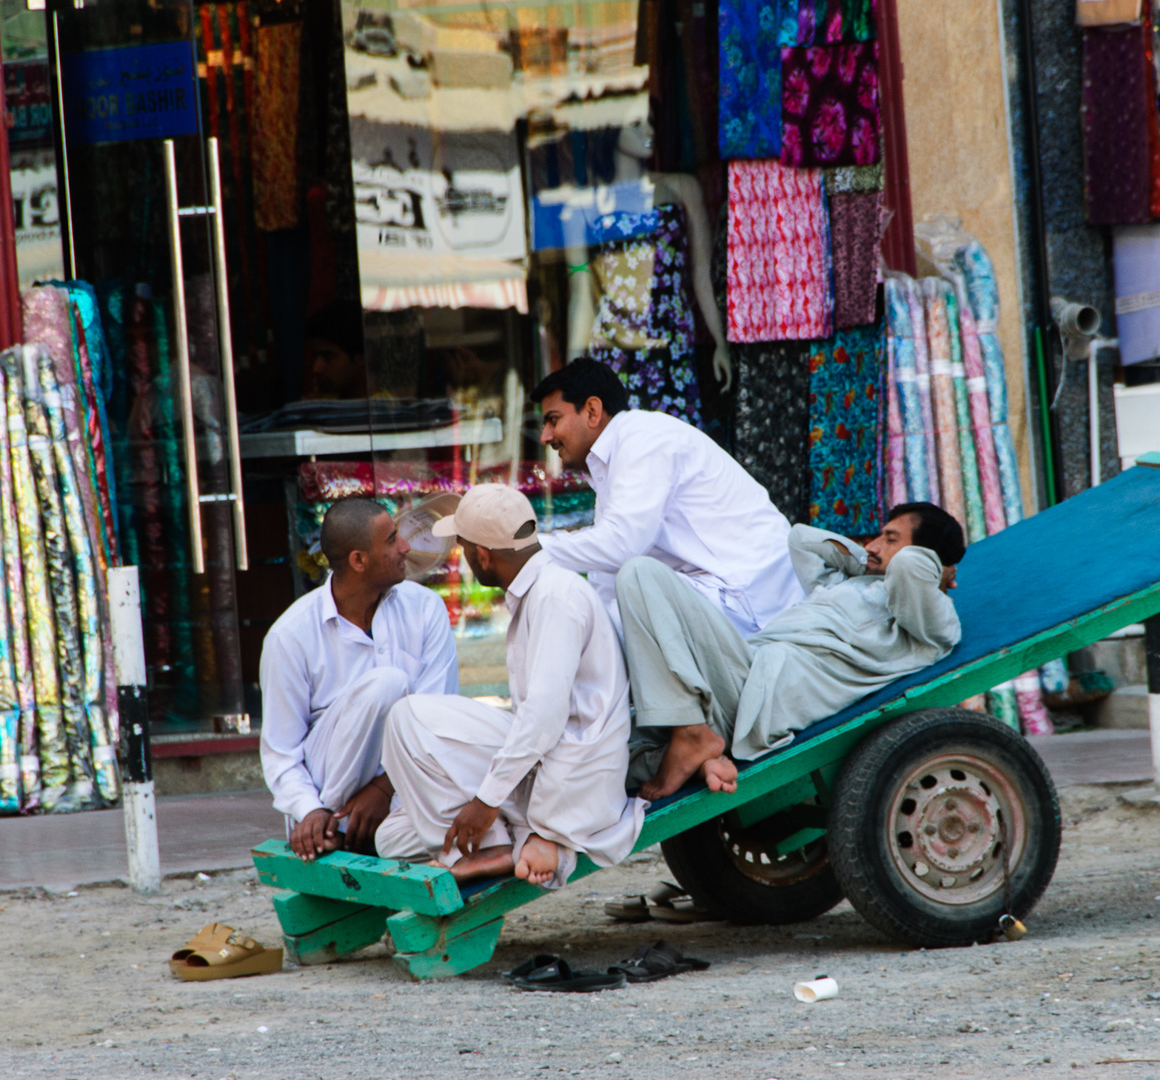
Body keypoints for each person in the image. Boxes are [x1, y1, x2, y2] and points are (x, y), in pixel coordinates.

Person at [374, 485, 644, 888]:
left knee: (405, 716)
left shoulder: (556, 597)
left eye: (465, 550)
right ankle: (502, 843)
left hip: (572, 780)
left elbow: (543, 718)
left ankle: (490, 847)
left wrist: (485, 802)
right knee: (389, 839)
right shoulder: (539, 591)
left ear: (483, 554)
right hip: (549, 765)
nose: (464, 561)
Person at [620, 502, 965, 799]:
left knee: (639, 573)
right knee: (612, 752)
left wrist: (941, 565)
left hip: (758, 696)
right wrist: (866, 559)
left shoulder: (928, 627)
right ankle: (698, 752)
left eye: (890, 539)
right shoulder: (845, 583)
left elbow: (909, 568)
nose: (873, 545)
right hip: (739, 671)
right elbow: (801, 538)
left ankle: (693, 737)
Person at [533, 358, 803, 637]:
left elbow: (621, 545)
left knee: (630, 592)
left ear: (592, 411)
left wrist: (529, 549)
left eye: (554, 420)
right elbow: (606, 573)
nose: (545, 436)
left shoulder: (643, 439)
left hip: (753, 601)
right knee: (584, 625)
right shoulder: (615, 457)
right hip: (730, 594)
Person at [259, 497, 459, 860]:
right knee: (387, 685)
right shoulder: (290, 635)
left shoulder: (425, 609)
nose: (406, 547)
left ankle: (355, 831)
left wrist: (384, 789)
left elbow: (438, 723)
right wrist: (311, 810)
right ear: (358, 560)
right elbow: (281, 754)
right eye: (392, 539)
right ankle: (329, 825)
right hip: (326, 787)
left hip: (404, 791)